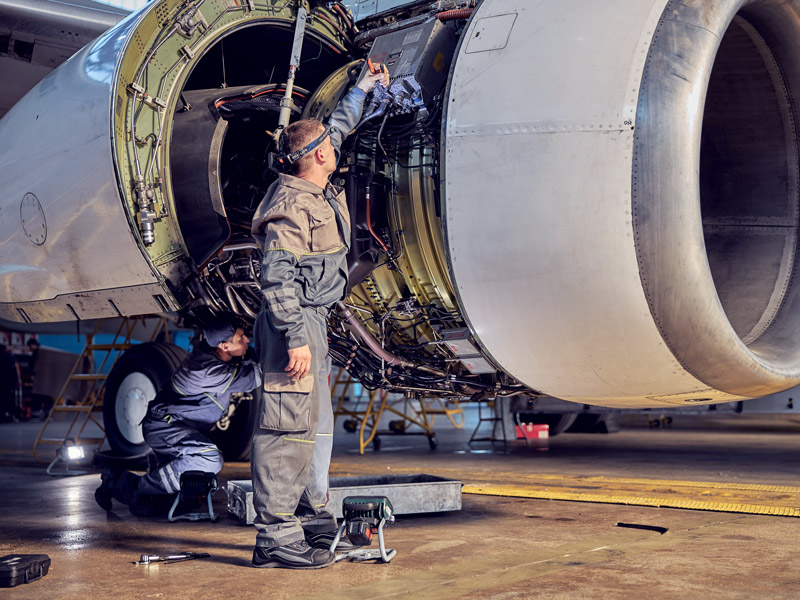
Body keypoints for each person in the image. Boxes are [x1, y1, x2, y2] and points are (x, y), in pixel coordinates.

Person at [249, 63, 389, 569]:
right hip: (294, 322)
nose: (336, 145)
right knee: (284, 426)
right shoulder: (290, 203)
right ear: (318, 156)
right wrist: (294, 338)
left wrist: (364, 89)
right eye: (329, 143)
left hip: (312, 320)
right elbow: (276, 277)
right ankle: (274, 538)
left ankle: (307, 521)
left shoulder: (313, 182)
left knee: (309, 423)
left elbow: (342, 123)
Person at [95, 315, 260, 513]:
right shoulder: (207, 372)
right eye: (241, 337)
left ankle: (133, 487)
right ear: (224, 346)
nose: (246, 340)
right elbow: (254, 377)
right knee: (209, 459)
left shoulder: (213, 354)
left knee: (168, 501)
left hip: (173, 426)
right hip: (164, 427)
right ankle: (132, 486)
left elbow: (247, 359)